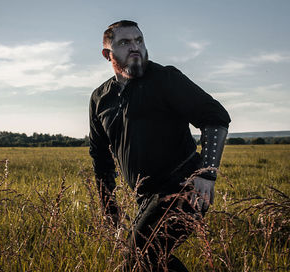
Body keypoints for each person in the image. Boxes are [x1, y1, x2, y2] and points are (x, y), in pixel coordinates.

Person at [89, 20, 231, 271]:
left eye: (139, 41)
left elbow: (215, 117)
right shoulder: (100, 99)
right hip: (146, 197)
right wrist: (109, 209)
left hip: (184, 186)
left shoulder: (165, 78)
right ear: (107, 54)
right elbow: (100, 157)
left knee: (141, 256)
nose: (135, 47)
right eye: (125, 42)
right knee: (146, 263)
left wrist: (207, 174)